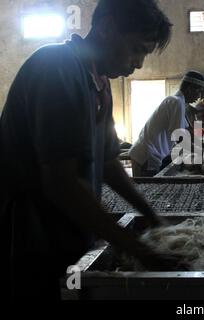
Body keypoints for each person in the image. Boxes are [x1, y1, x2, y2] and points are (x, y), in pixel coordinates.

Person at [0, 0, 185, 299]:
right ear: (108, 28)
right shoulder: (56, 68)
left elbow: (108, 160)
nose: (138, 63)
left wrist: (151, 215)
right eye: (137, 49)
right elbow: (61, 183)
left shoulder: (98, 82)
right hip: (30, 232)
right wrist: (136, 248)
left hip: (66, 230)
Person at [129, 70, 204, 176]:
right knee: (147, 190)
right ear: (189, 89)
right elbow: (179, 137)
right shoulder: (176, 102)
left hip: (148, 154)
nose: (199, 96)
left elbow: (187, 133)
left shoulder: (179, 102)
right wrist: (201, 152)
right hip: (146, 156)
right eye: (199, 91)